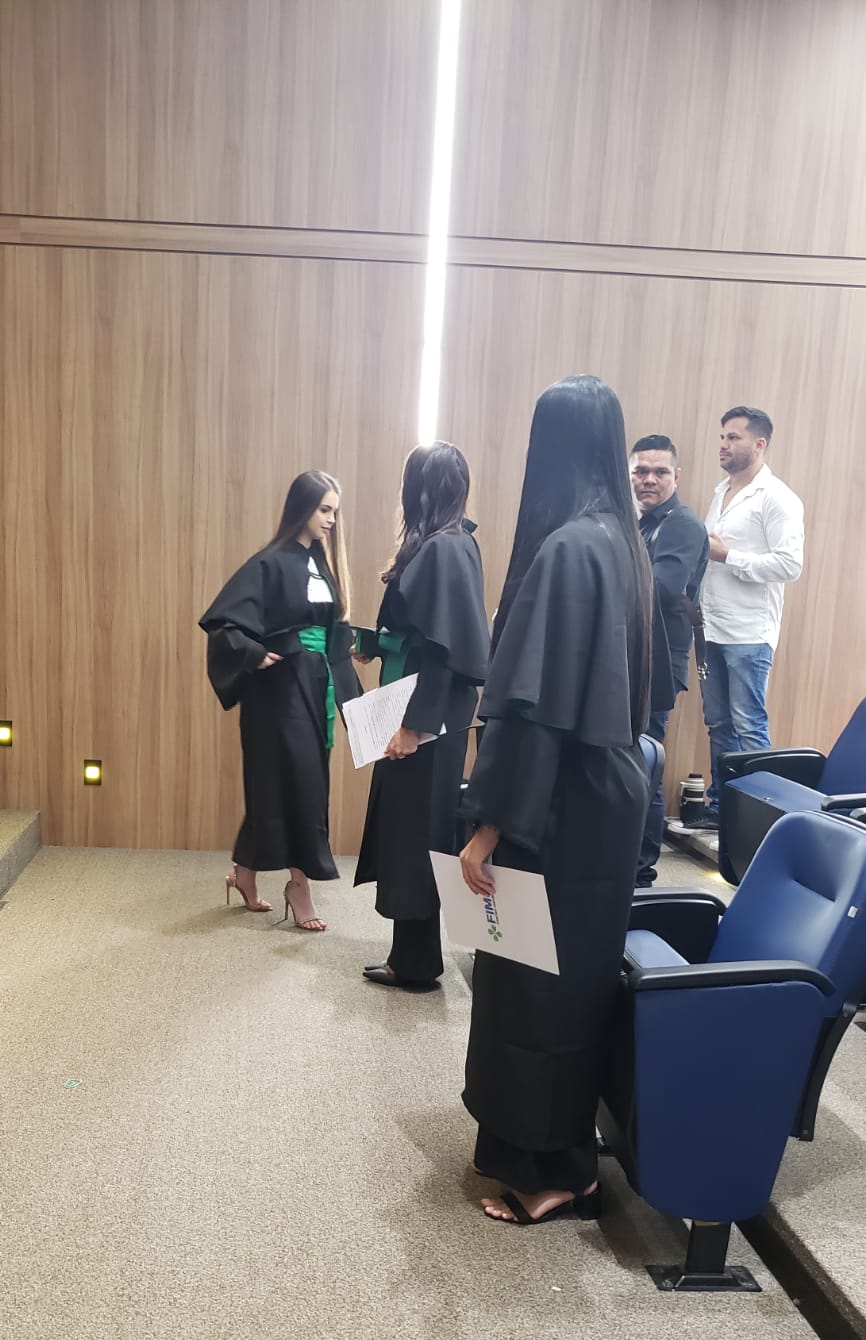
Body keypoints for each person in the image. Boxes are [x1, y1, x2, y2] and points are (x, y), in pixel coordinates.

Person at [458, 375, 652, 1225]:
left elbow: (530, 710)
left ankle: (556, 1174)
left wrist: (489, 824)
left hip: (556, 800)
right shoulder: (622, 541)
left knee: (534, 984)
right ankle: (563, 1154)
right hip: (607, 795)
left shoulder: (570, 548)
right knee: (571, 980)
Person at [199, 471, 360, 931]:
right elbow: (224, 624)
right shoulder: (268, 563)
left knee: (281, 784)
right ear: (302, 507)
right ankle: (299, 886)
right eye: (324, 509)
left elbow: (328, 627)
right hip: (279, 691)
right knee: (297, 782)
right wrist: (253, 653)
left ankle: (244, 873)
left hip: (315, 685)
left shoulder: (322, 564)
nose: (331, 520)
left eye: (334, 511)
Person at [354, 442, 489, 989]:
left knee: (415, 835)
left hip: (424, 717)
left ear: (418, 490)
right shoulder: (455, 544)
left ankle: (412, 964)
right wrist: (378, 644)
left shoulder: (442, 549)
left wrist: (414, 726)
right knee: (416, 831)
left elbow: (441, 650)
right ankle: (412, 956)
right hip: (429, 712)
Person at [697, 407, 804, 826]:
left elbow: (790, 564)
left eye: (734, 437)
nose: (724, 445)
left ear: (759, 444)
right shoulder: (720, 490)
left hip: (749, 632)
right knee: (718, 725)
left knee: (749, 726)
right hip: (710, 627)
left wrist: (729, 556)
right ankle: (721, 810)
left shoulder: (778, 498)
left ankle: (761, 820)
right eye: (723, 436)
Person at [630, 435, 709, 883]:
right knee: (633, 760)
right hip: (635, 660)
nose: (649, 479)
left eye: (660, 472)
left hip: (656, 666)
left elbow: (661, 588)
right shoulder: (640, 523)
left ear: (676, 476)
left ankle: (641, 868)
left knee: (645, 760)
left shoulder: (682, 525)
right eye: (641, 471)